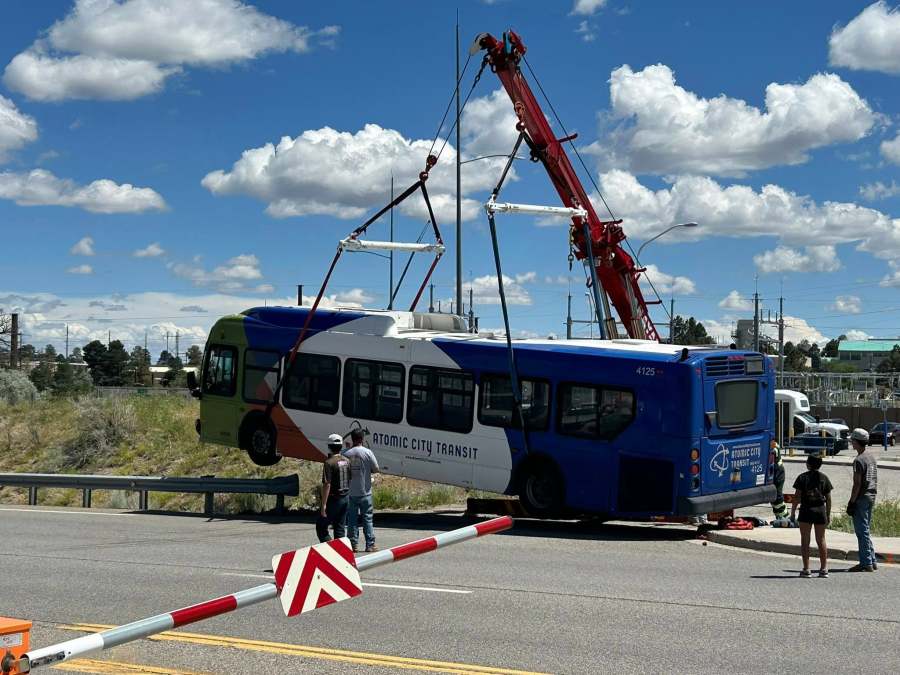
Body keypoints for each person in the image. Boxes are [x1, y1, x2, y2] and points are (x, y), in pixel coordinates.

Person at [790, 452, 833, 578]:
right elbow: (829, 498)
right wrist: (828, 514)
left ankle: (806, 568)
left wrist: (792, 513)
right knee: (821, 539)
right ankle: (824, 568)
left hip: (806, 510)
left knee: (805, 540)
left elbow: (797, 497)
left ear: (808, 464)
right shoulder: (824, 478)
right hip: (820, 510)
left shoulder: (802, 478)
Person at [343, 428, 380, 552]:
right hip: (365, 492)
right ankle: (370, 544)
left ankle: (353, 544)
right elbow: (376, 468)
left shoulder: (345, 453)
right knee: (367, 518)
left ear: (352, 438)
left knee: (352, 520)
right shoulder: (367, 452)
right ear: (362, 439)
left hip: (350, 492)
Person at [847, 428, 878, 572]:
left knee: (861, 531)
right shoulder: (871, 457)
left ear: (856, 441)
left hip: (861, 497)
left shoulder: (858, 460)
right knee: (865, 529)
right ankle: (872, 559)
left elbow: (857, 484)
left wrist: (852, 502)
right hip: (871, 495)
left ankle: (866, 562)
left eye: (852, 440)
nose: (851, 443)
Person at [318, 433, 352, 543]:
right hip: (345, 498)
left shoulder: (329, 463)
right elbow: (349, 479)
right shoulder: (347, 461)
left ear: (329, 447)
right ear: (341, 446)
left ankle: (330, 551)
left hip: (334, 500)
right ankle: (341, 553)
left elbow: (327, 484)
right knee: (340, 529)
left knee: (321, 527)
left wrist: (323, 504)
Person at [770, 441, 790, 522]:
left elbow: (773, 452)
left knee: (777, 497)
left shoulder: (773, 446)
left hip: (778, 472)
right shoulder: (773, 444)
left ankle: (785, 517)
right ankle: (779, 517)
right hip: (775, 471)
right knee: (774, 498)